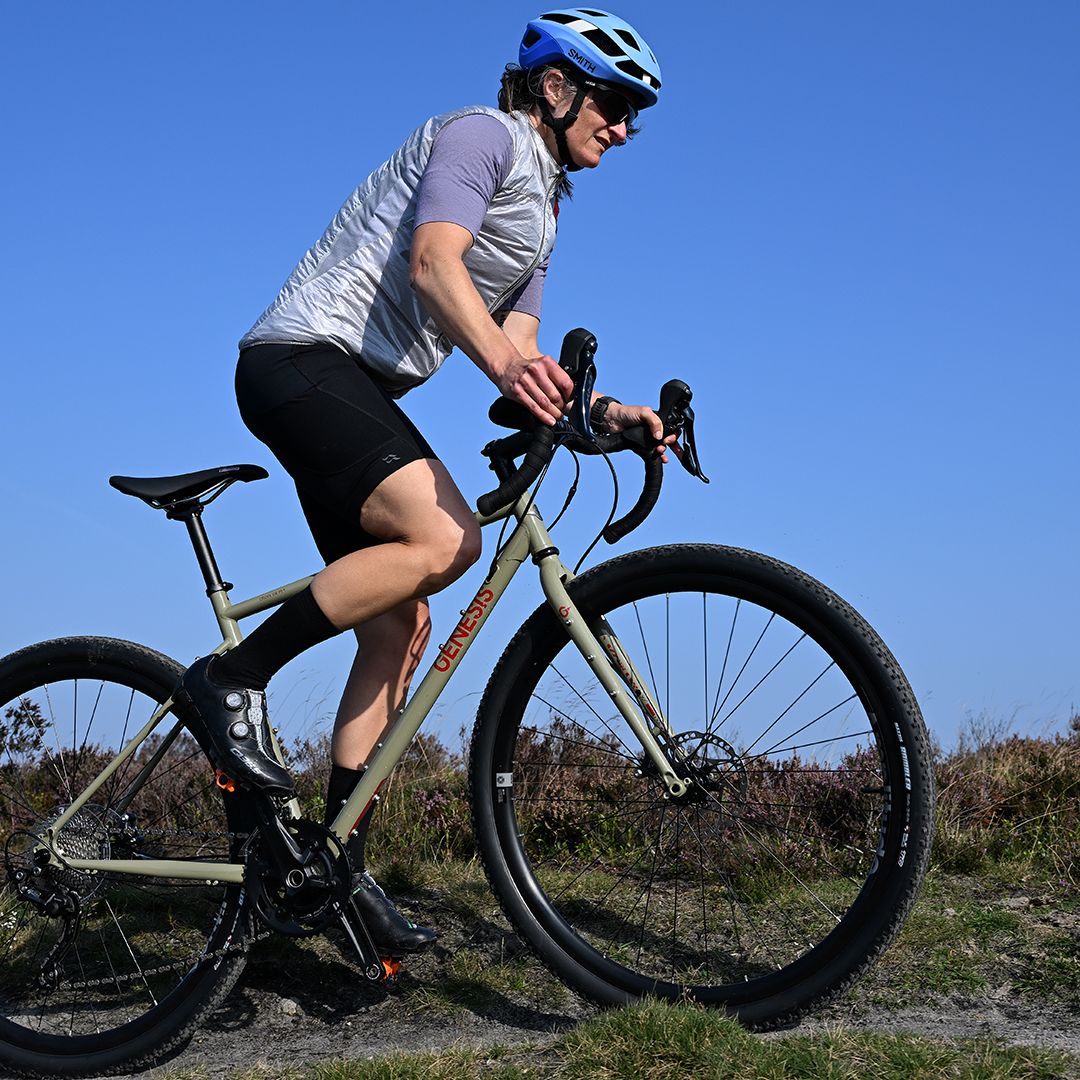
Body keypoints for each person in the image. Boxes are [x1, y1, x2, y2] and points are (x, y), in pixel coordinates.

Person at [177, 8, 670, 955]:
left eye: (633, 116)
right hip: (301, 361)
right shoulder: (482, 137)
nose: (622, 127)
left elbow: (520, 350)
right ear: (556, 87)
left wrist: (610, 417)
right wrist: (506, 366)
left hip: (353, 384)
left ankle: (331, 870)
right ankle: (229, 680)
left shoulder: (545, 211)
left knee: (400, 627)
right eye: (612, 103)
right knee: (447, 539)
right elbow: (434, 262)